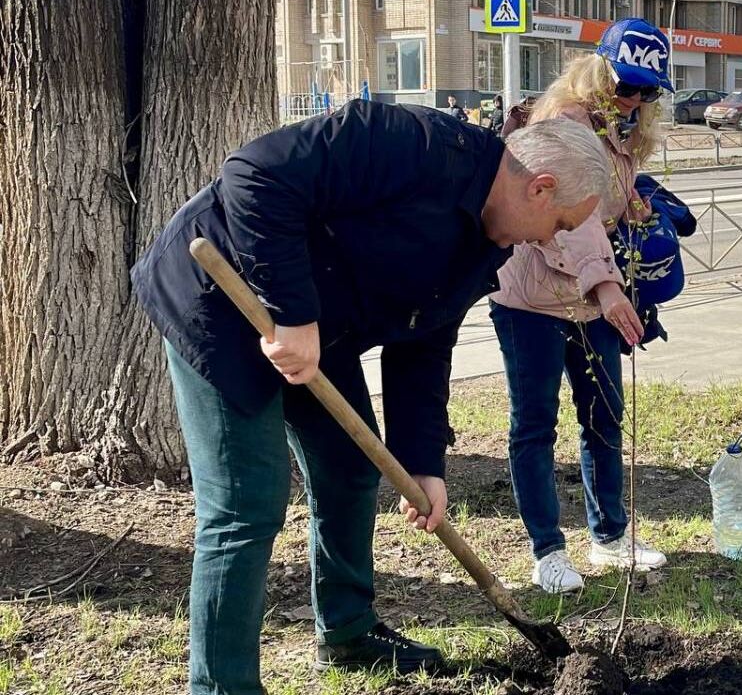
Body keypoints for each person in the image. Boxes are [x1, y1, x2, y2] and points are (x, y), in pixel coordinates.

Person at [131, 101, 612, 695]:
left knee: (352, 470)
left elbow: (425, 343)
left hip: (315, 322)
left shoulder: (489, 242)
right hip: (224, 297)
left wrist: (422, 464)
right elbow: (254, 175)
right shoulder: (412, 145)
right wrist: (294, 316)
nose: (554, 242)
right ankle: (222, 686)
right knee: (246, 504)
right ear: (540, 188)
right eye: (562, 225)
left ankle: (348, 631)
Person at [489, 18, 672, 593]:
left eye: (648, 91)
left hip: (591, 298)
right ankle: (547, 551)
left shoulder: (621, 132)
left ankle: (610, 536)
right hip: (531, 298)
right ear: (598, 70)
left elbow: (604, 208)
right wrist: (606, 284)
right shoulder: (561, 122)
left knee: (603, 417)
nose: (635, 99)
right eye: (626, 85)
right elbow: (566, 218)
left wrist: (641, 207)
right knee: (535, 423)